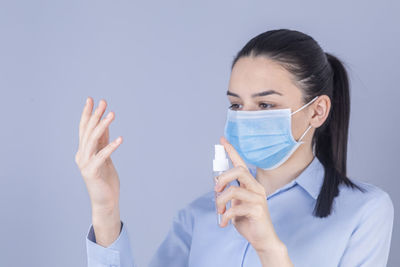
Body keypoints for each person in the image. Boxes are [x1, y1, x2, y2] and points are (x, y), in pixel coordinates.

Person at [75, 29, 394, 267]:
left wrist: (269, 248)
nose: (246, 118)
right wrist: (106, 209)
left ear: (317, 111)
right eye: (236, 105)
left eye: (266, 103)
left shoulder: (365, 212)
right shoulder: (202, 213)